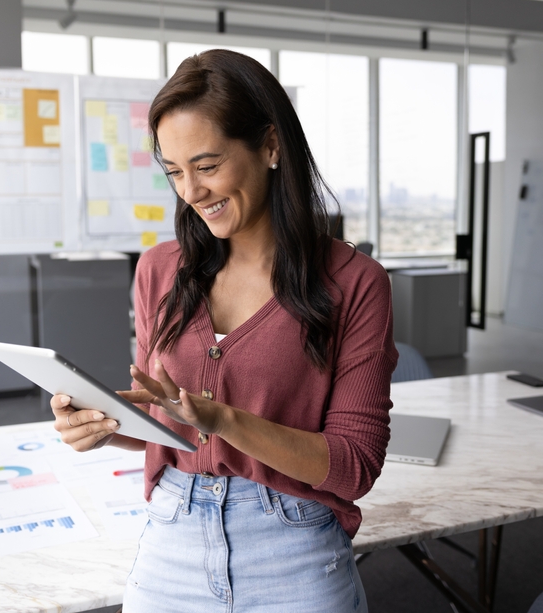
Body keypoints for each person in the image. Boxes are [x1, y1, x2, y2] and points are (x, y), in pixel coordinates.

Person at [51, 49, 397, 613]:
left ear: (269, 146)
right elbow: (175, 425)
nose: (190, 191)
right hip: (173, 536)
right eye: (175, 171)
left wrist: (224, 419)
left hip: (293, 545)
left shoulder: (354, 283)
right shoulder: (158, 270)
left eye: (207, 166)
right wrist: (105, 427)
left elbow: (354, 466)